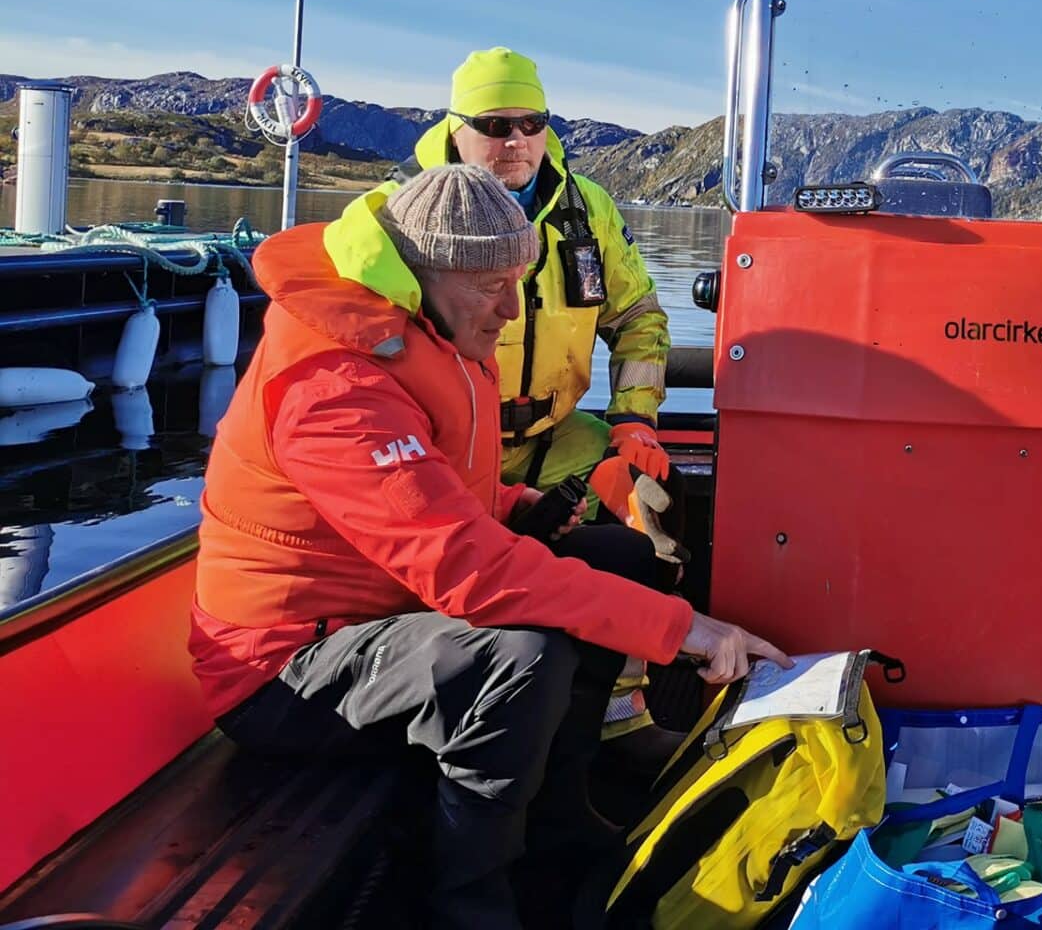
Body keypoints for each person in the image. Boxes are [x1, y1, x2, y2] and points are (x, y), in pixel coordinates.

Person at [189, 164, 787, 929]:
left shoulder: (425, 325)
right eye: (490, 286)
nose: (511, 308)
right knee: (519, 658)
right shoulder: (334, 386)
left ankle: (558, 824)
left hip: (385, 611)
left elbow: (432, 483)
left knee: (621, 558)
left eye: (518, 280)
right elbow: (466, 572)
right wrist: (689, 633)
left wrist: (515, 503)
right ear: (413, 271)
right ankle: (473, 902)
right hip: (285, 671)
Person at [392, 47, 673, 510]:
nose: (516, 140)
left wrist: (635, 418)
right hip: (441, 442)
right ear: (455, 129)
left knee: (654, 497)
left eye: (532, 123)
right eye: (496, 126)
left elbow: (639, 321)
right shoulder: (403, 209)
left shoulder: (589, 209)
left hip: (554, 435)